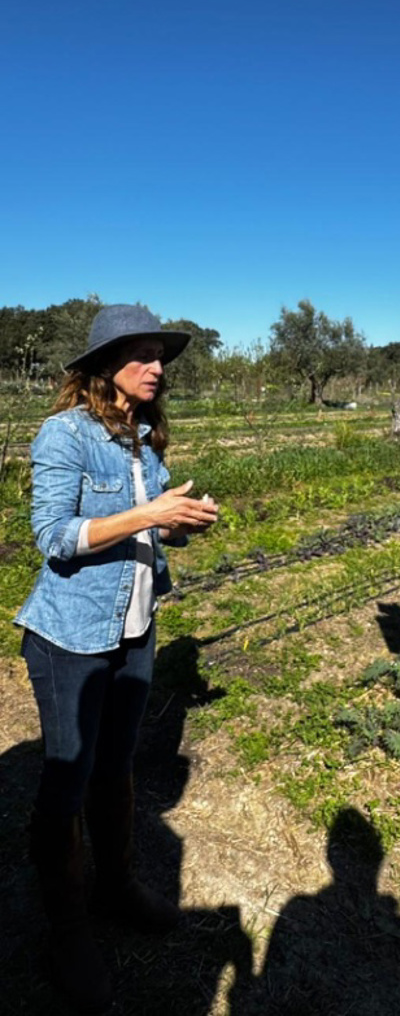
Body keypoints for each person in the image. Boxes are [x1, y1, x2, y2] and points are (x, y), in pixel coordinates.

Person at [15, 303, 219, 1014]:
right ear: (106, 366)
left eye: (162, 355)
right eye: (143, 354)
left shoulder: (143, 438)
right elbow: (54, 536)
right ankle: (67, 933)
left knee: (117, 764)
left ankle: (116, 886)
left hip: (134, 628)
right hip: (69, 635)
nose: (157, 367)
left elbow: (150, 529)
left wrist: (182, 522)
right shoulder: (65, 433)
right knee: (66, 782)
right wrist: (150, 514)